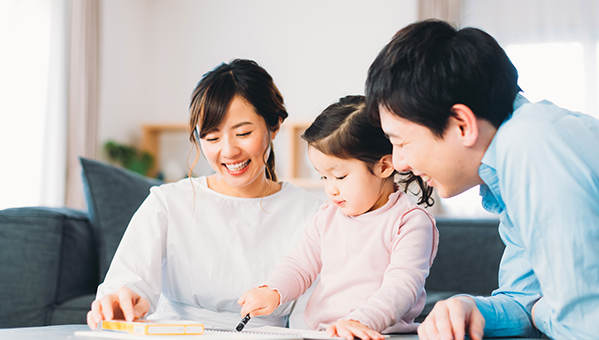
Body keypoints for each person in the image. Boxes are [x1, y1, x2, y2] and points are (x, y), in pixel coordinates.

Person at [365, 19, 599, 340]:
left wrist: (540, 310)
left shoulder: (531, 145)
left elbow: (583, 324)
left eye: (402, 142)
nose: (400, 163)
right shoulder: (511, 156)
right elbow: (524, 298)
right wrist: (469, 307)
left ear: (462, 123)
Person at [86, 59, 322, 330]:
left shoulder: (310, 213)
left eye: (243, 133)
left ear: (274, 125)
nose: (229, 150)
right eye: (211, 138)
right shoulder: (167, 203)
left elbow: (313, 314)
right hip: (174, 333)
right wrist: (119, 300)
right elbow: (127, 281)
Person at [238, 95, 439, 340]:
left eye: (340, 176)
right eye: (324, 177)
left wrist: (361, 321)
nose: (330, 189)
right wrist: (273, 290)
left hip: (378, 332)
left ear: (384, 166)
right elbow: (301, 264)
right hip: (322, 333)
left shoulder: (410, 221)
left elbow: (403, 285)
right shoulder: (328, 215)